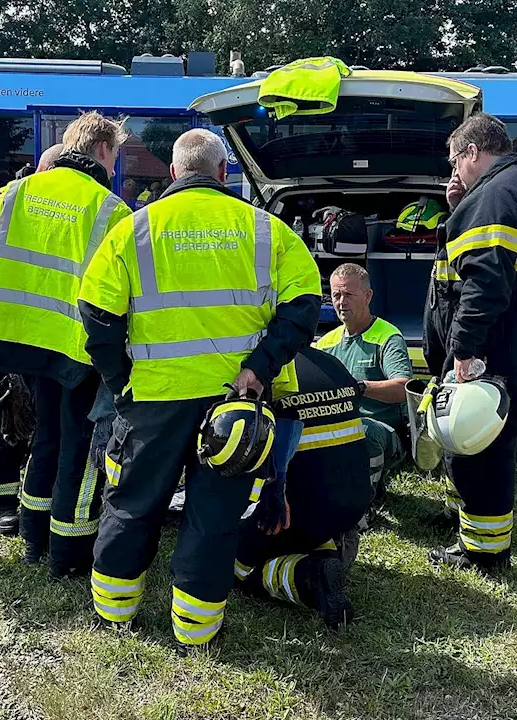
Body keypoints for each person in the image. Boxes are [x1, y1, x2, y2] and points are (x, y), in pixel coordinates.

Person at [78, 128, 321, 649]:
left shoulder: (132, 230)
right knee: (214, 512)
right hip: (235, 405)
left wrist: (121, 381)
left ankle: (115, 613)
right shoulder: (268, 230)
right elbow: (303, 307)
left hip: (154, 398)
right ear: (222, 173)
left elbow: (96, 316)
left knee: (134, 502)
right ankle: (195, 629)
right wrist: (259, 366)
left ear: (172, 172)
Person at [0, 113, 132, 579]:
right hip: (73, 348)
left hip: (16, 339)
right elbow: (114, 295)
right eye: (115, 154)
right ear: (100, 150)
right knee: (76, 446)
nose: (115, 166)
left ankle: (33, 539)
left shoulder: (14, 194)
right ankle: (68, 554)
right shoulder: (110, 209)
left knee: (45, 439)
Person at [423, 113, 517, 573]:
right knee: (494, 436)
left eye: (455, 162)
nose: (453, 173)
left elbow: (484, 284)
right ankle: (465, 519)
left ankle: (483, 551)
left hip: (491, 343)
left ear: (473, 153)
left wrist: (463, 350)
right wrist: (461, 205)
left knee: (479, 445)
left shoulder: (496, 196)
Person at [0, 143, 65, 537]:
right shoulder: (2, 204)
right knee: (9, 420)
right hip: (9, 336)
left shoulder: (64, 212)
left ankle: (32, 492)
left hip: (50, 336)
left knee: (42, 420)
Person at [233, 346, 372, 629]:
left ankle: (309, 576)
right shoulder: (331, 363)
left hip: (297, 508)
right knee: (306, 520)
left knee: (236, 569)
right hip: (353, 502)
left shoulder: (255, 373)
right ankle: (325, 553)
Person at [314, 263, 413, 508]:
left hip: (383, 433)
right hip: (339, 428)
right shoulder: (325, 343)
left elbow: (404, 389)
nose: (340, 302)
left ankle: (365, 502)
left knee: (364, 430)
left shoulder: (387, 337)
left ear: (367, 296)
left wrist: (360, 387)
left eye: (348, 294)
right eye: (336, 295)